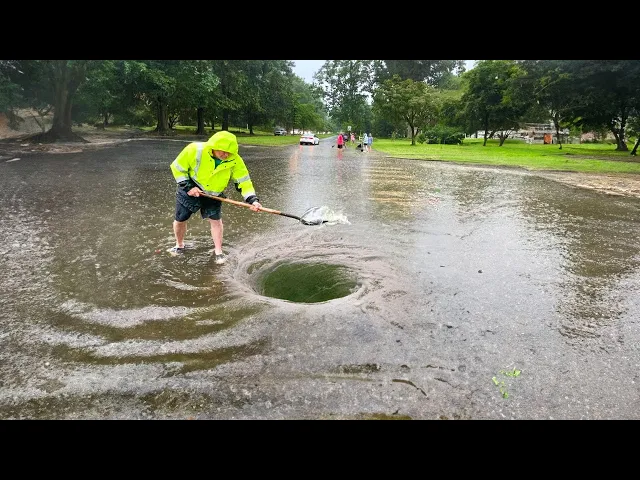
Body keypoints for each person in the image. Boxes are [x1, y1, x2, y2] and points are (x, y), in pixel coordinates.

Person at [168, 130, 262, 264]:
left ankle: (218, 251)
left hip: (214, 195)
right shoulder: (195, 149)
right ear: (214, 146)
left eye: (229, 152)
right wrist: (189, 187)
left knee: (216, 221)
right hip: (190, 188)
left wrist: (253, 200)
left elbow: (244, 182)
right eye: (223, 151)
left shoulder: (235, 160)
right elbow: (178, 168)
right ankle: (179, 245)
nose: (226, 155)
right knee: (180, 219)